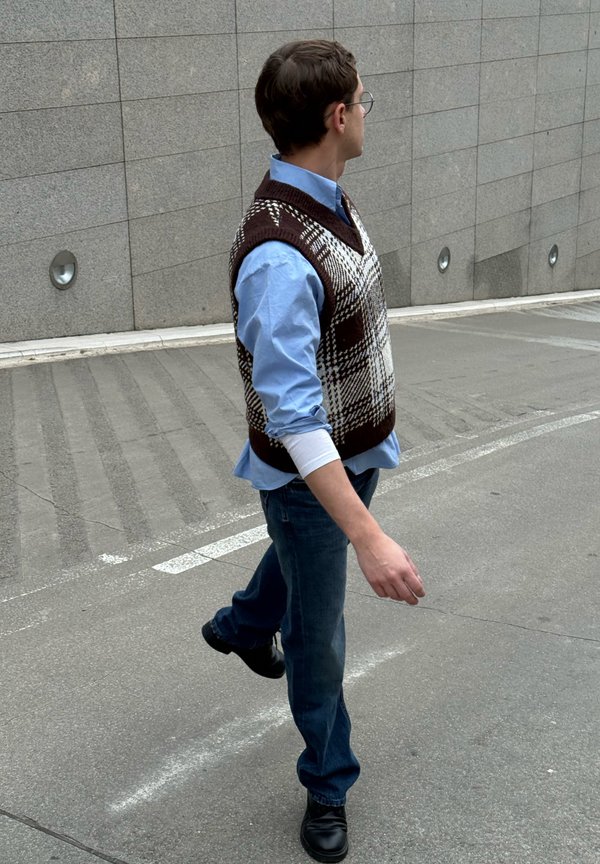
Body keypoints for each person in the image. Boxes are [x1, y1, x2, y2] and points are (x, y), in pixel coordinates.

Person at [202, 39, 425, 863]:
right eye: (365, 100)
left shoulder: (328, 193)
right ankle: (328, 783)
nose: (369, 111)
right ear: (338, 117)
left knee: (298, 561)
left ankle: (239, 624)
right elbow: (295, 422)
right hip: (312, 472)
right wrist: (371, 541)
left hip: (356, 452)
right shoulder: (276, 257)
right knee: (319, 633)